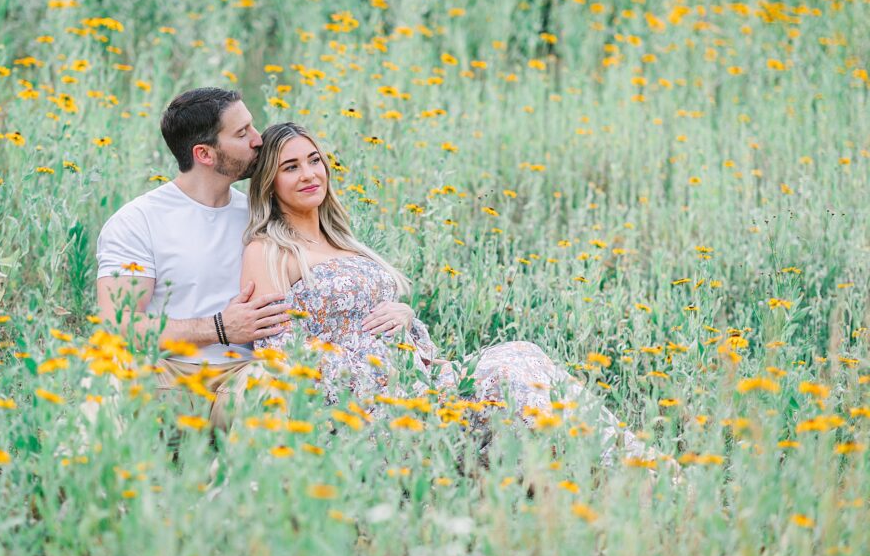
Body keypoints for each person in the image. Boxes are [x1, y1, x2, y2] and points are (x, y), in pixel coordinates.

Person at [241, 122, 662, 466]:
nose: (310, 174)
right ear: (270, 184)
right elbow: (278, 353)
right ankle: (626, 469)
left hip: (420, 377)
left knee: (523, 356)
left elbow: (375, 313)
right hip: (375, 402)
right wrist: (372, 367)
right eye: (290, 167)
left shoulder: (343, 242)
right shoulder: (270, 251)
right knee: (509, 372)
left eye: (314, 160)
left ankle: (632, 464)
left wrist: (405, 316)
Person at [94, 88, 417, 429]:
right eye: (242, 132)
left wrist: (400, 312)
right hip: (171, 374)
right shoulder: (139, 220)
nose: (258, 140)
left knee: (270, 382)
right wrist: (219, 328)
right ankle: (78, 476)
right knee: (102, 383)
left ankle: (248, 478)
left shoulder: (264, 215)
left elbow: (329, 293)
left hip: (248, 374)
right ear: (204, 153)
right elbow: (117, 327)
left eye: (252, 127)